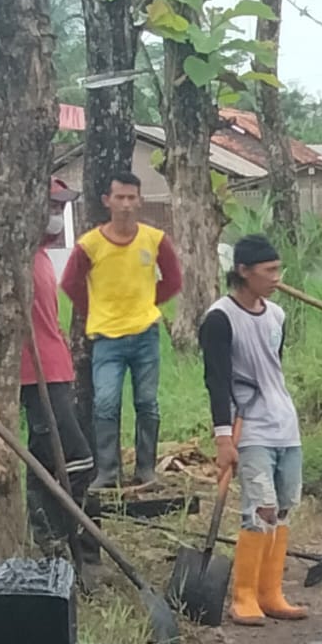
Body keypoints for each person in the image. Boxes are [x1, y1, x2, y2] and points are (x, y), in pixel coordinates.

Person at [198, 234, 308, 626]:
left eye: (279, 270)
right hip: (251, 426)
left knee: (282, 507)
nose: (276, 278)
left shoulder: (277, 316)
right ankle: (243, 596)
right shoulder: (219, 319)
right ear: (243, 272)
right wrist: (223, 437)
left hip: (285, 423)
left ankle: (270, 591)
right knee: (258, 508)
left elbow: (273, 368)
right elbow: (217, 379)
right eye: (269, 271)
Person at [62, 170, 183, 488]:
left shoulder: (154, 239)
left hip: (145, 334)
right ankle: (108, 472)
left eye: (132, 197)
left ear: (140, 201)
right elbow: (70, 284)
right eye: (120, 197)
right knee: (106, 403)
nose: (126, 204)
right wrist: (96, 309)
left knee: (147, 402)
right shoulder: (89, 245)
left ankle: (146, 470)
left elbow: (173, 280)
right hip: (107, 338)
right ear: (107, 201)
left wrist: (147, 302)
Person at [22, 177, 96, 552]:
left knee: (43, 456)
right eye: (50, 207)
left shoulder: (43, 258)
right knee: (77, 458)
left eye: (59, 208)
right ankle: (66, 534)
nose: (56, 215)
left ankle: (53, 536)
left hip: (56, 368)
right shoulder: (17, 260)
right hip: (37, 374)